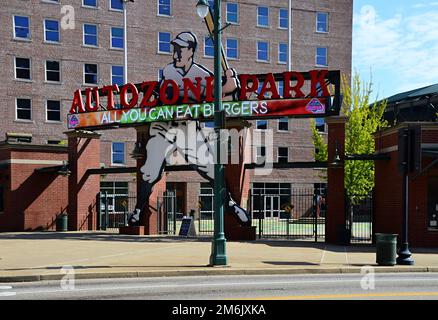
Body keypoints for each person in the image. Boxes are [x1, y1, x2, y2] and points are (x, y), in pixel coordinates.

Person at [128, 32, 250, 227]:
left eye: (180, 50)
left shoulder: (201, 75)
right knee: (150, 170)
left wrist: (230, 87)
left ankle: (231, 205)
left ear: (191, 51)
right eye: (174, 49)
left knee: (212, 170)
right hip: (164, 126)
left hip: (188, 128)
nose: (176, 54)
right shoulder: (168, 71)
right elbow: (159, 99)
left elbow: (226, 99)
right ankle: (137, 211)